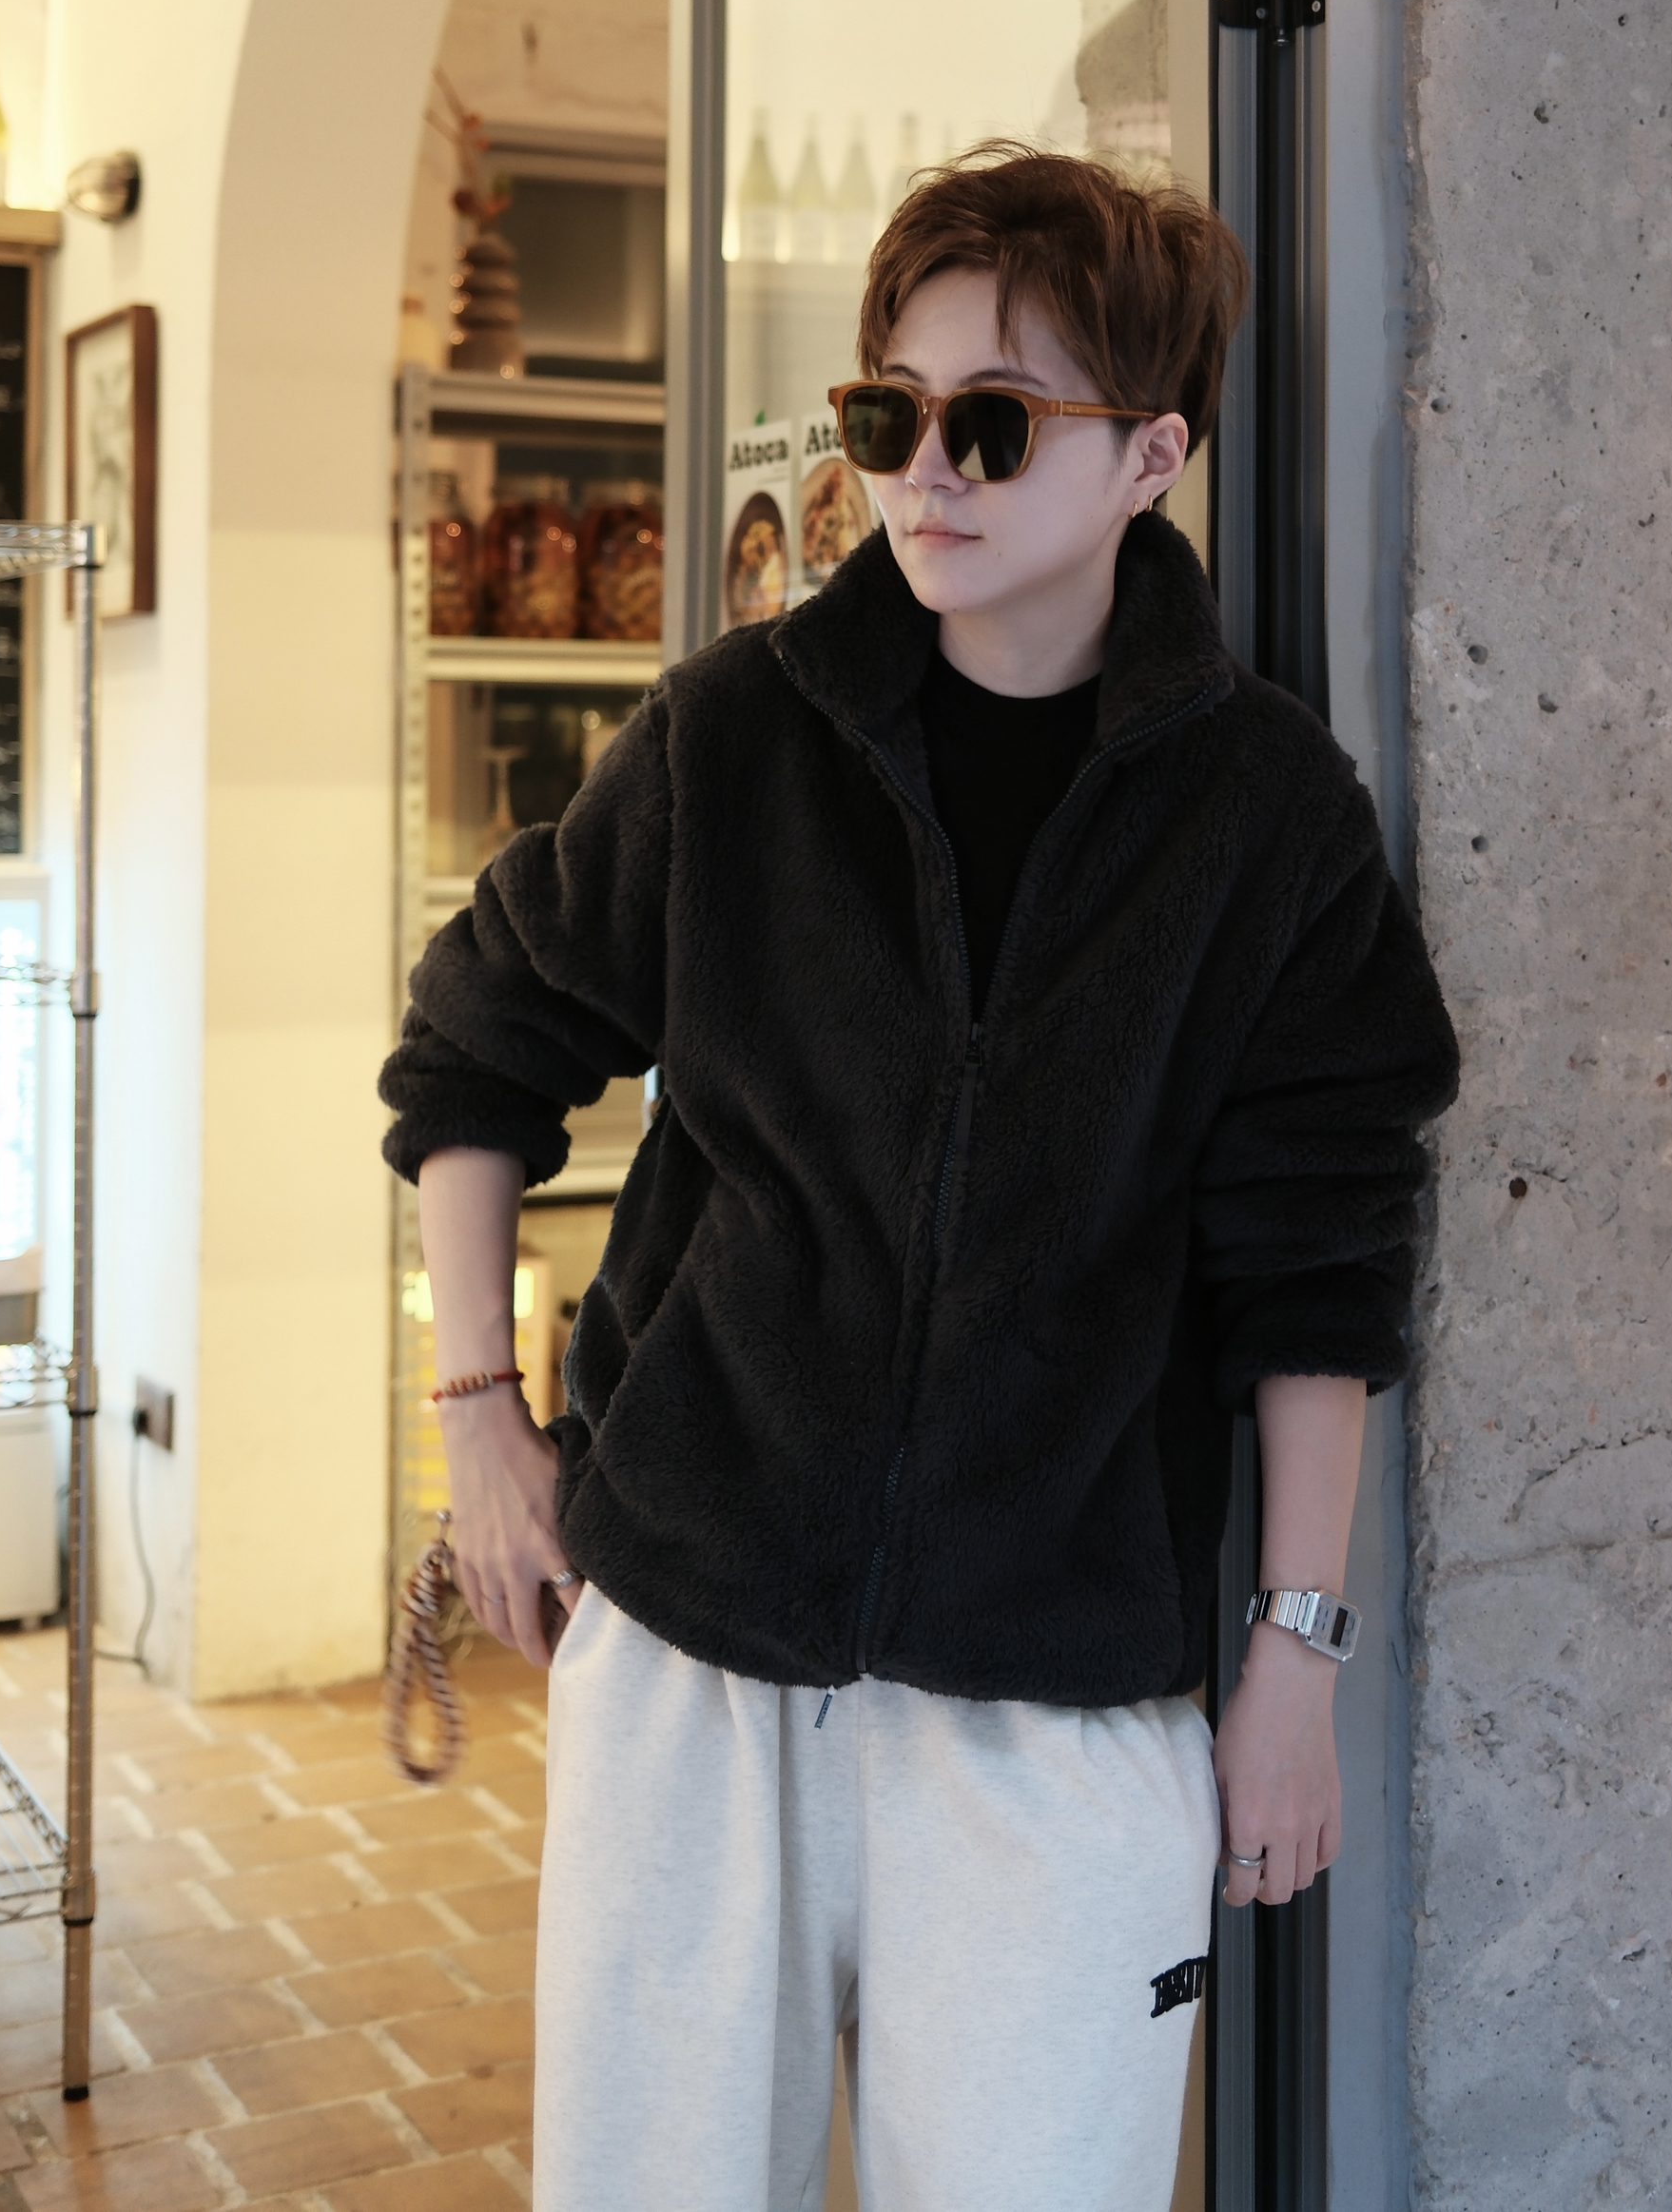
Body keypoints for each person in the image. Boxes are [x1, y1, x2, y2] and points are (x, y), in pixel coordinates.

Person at [379, 145, 1459, 2212]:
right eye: (889, 416)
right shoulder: (731, 742)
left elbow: (1316, 1270)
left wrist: (1291, 1666)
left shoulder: (1264, 826)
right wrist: (479, 1422)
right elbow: (473, 1045)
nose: (926, 473)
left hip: (1054, 1703)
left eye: (995, 422)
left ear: (1151, 458)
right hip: (692, 1659)